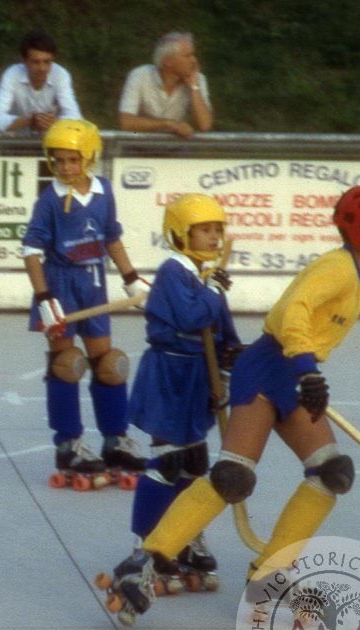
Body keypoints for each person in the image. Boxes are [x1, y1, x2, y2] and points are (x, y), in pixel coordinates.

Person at [108, 185, 360, 621]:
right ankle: (143, 563)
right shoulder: (338, 267)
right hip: (272, 370)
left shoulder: (358, 271)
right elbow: (292, 312)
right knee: (233, 478)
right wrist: (306, 369)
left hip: (290, 372)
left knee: (331, 473)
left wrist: (301, 369)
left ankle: (269, 575)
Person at [118, 194, 242, 597]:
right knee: (168, 461)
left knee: (194, 462)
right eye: (204, 230)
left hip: (197, 377)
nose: (213, 237)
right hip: (170, 373)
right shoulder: (176, 271)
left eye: (217, 230)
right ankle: (147, 544)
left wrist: (232, 361)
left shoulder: (207, 276)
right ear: (180, 233)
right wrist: (214, 290)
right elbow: (192, 316)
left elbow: (221, 328)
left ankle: (185, 536)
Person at [22, 119, 148, 484]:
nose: (65, 168)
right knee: (67, 363)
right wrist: (45, 298)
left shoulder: (104, 191)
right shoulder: (48, 200)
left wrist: (129, 278)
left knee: (109, 363)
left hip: (94, 282)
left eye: (73, 160)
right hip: (60, 283)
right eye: (58, 160)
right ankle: (68, 444)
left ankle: (115, 440)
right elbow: (31, 251)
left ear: (89, 157)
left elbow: (112, 239)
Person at [118, 31, 212, 138]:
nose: (194, 60)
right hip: (139, 148)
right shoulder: (139, 75)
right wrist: (168, 124)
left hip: (178, 150)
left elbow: (205, 125)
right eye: (188, 56)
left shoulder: (198, 79)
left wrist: (194, 87)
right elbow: (126, 122)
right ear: (168, 61)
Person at [0, 30, 82, 134]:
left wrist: (54, 122)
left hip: (52, 140)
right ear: (24, 61)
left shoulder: (60, 74)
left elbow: (76, 118)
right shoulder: (12, 74)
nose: (42, 68)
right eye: (35, 62)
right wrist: (28, 121)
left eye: (47, 62)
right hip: (17, 142)